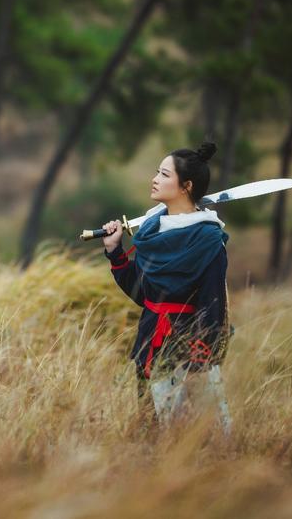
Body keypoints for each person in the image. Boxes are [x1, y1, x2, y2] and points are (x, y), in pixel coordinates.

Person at [101, 141, 232, 433]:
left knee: (188, 435)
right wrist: (115, 252)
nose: (155, 179)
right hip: (150, 340)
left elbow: (212, 306)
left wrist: (197, 361)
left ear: (185, 186)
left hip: (187, 347)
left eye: (163, 174)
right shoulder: (150, 229)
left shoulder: (209, 240)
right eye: (157, 172)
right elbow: (142, 294)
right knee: (150, 429)